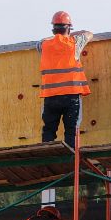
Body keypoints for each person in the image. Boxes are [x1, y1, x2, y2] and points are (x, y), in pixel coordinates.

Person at [40, 11, 94, 144]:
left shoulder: (44, 45)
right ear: (68, 28)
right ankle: (71, 160)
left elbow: (43, 41)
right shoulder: (74, 43)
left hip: (50, 97)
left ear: (53, 29)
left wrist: (58, 36)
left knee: (48, 131)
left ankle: (47, 161)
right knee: (71, 131)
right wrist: (72, 33)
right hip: (71, 97)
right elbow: (89, 34)